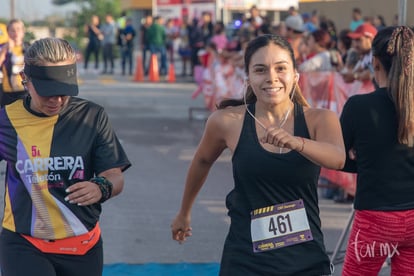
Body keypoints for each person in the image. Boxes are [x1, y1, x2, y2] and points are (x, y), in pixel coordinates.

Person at [171, 34, 345, 275]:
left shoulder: (319, 119)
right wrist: (184, 213)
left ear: (295, 75)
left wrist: (297, 143)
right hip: (245, 257)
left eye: (281, 68)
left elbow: (337, 157)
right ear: (248, 78)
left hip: (305, 258)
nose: (271, 78)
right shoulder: (227, 121)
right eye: (260, 70)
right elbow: (202, 161)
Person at [0, 37, 131, 276]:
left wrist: (101, 187)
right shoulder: (5, 120)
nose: (57, 100)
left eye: (64, 91)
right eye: (48, 92)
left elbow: (114, 175)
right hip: (24, 243)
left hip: (83, 245)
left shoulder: (92, 116)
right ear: (25, 80)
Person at [340, 26, 414, 275]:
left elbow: (340, 157)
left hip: (376, 217)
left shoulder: (359, 106)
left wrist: (364, 160)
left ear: (374, 62)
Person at [0, 19, 28, 107]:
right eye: (12, 30)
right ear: (8, 32)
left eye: (18, 29)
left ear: (23, 32)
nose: (16, 32)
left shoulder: (28, 48)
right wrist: (5, 50)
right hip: (7, 93)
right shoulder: (2, 48)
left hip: (25, 91)